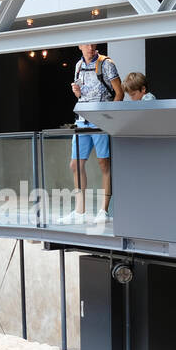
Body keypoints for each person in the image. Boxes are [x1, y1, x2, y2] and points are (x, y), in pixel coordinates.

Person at [60, 42, 123, 224]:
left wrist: (109, 117)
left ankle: (104, 210)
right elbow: (82, 96)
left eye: (92, 43)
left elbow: (119, 93)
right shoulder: (78, 66)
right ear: (79, 46)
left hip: (100, 121)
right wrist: (77, 93)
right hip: (82, 119)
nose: (90, 47)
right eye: (86, 44)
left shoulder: (106, 63)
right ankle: (80, 211)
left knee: (104, 164)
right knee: (75, 164)